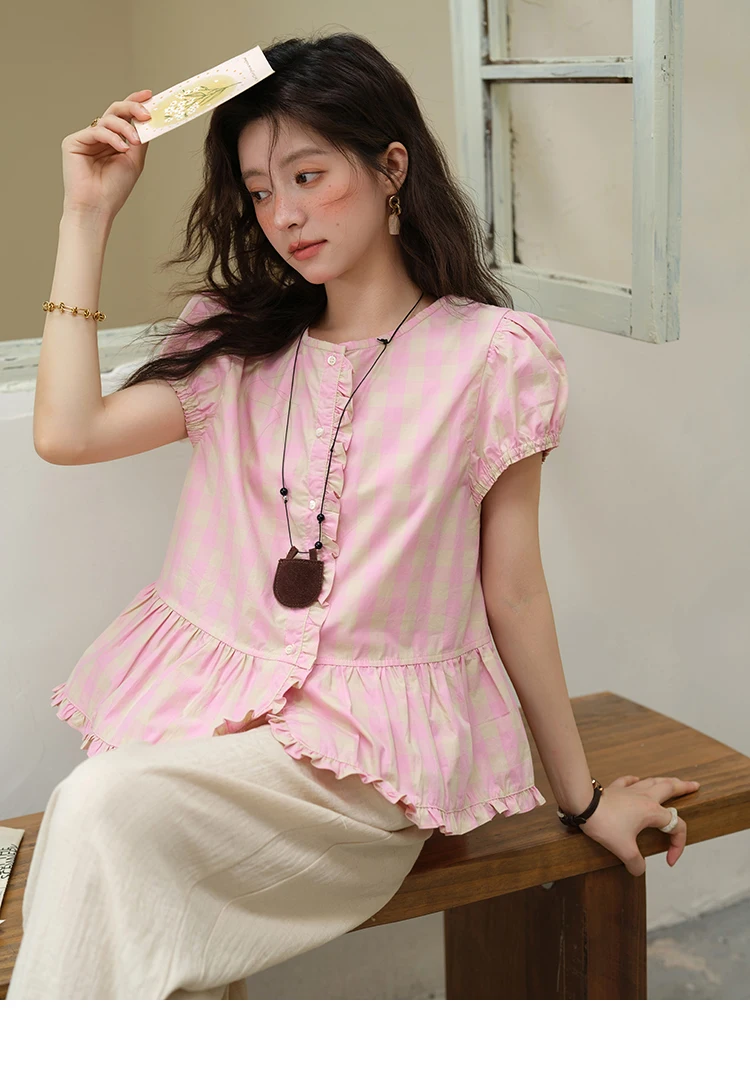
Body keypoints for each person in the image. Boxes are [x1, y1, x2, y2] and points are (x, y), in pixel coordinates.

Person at [11, 31, 698, 1000]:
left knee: (99, 809)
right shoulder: (237, 346)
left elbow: (514, 593)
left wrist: (582, 801)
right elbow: (67, 431)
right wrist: (86, 215)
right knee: (131, 885)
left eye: (308, 176)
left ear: (390, 168)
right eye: (260, 191)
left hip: (366, 773)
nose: (284, 215)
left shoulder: (490, 357)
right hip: (207, 736)